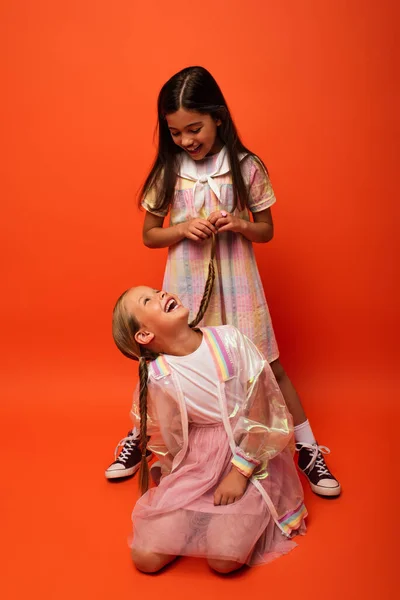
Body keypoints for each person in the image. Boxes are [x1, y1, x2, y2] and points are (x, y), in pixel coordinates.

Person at [106, 65, 340, 498]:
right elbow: (149, 234)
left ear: (217, 117)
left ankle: (305, 447)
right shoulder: (169, 170)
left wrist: (238, 223)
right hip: (187, 283)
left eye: (194, 128)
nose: (186, 140)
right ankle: (143, 439)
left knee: (265, 363)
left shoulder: (246, 166)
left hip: (238, 281)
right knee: (165, 365)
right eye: (175, 133)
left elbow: (265, 229)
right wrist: (183, 228)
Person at [112, 283, 307, 572]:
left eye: (157, 290)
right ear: (144, 335)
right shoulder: (159, 376)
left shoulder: (229, 341)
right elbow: (166, 435)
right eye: (148, 299)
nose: (162, 294)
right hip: (199, 462)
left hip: (248, 451)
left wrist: (240, 472)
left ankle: (226, 515)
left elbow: (264, 407)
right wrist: (178, 478)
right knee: (145, 557)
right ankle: (199, 515)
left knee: (223, 559)